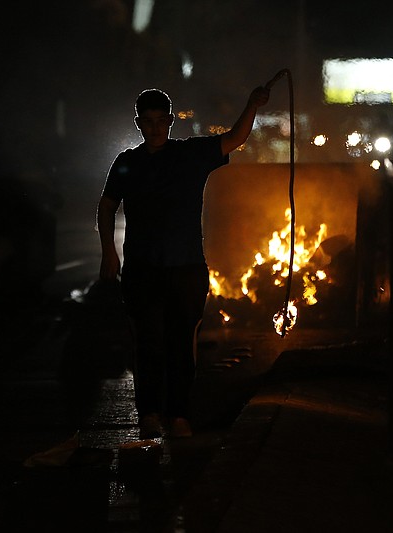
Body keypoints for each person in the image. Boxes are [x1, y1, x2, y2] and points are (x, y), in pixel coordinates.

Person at [97, 83, 270, 439]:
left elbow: (236, 137)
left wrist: (252, 103)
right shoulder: (127, 163)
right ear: (138, 124)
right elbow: (106, 205)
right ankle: (148, 413)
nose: (155, 128)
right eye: (148, 122)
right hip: (142, 270)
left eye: (161, 121)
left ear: (171, 122)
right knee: (147, 343)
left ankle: (178, 415)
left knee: (181, 346)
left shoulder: (190, 154)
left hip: (187, 268)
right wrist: (108, 251)